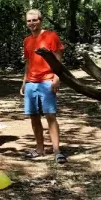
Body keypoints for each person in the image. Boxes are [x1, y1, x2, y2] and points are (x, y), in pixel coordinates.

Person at [20, 9, 65, 163]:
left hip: (47, 81)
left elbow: (58, 59)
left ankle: (57, 150)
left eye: (34, 20)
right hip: (31, 83)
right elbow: (28, 62)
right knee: (34, 116)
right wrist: (24, 82)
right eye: (29, 21)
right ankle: (40, 148)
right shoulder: (27, 40)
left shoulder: (51, 36)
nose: (31, 23)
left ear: (41, 20)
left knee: (50, 115)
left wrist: (56, 78)